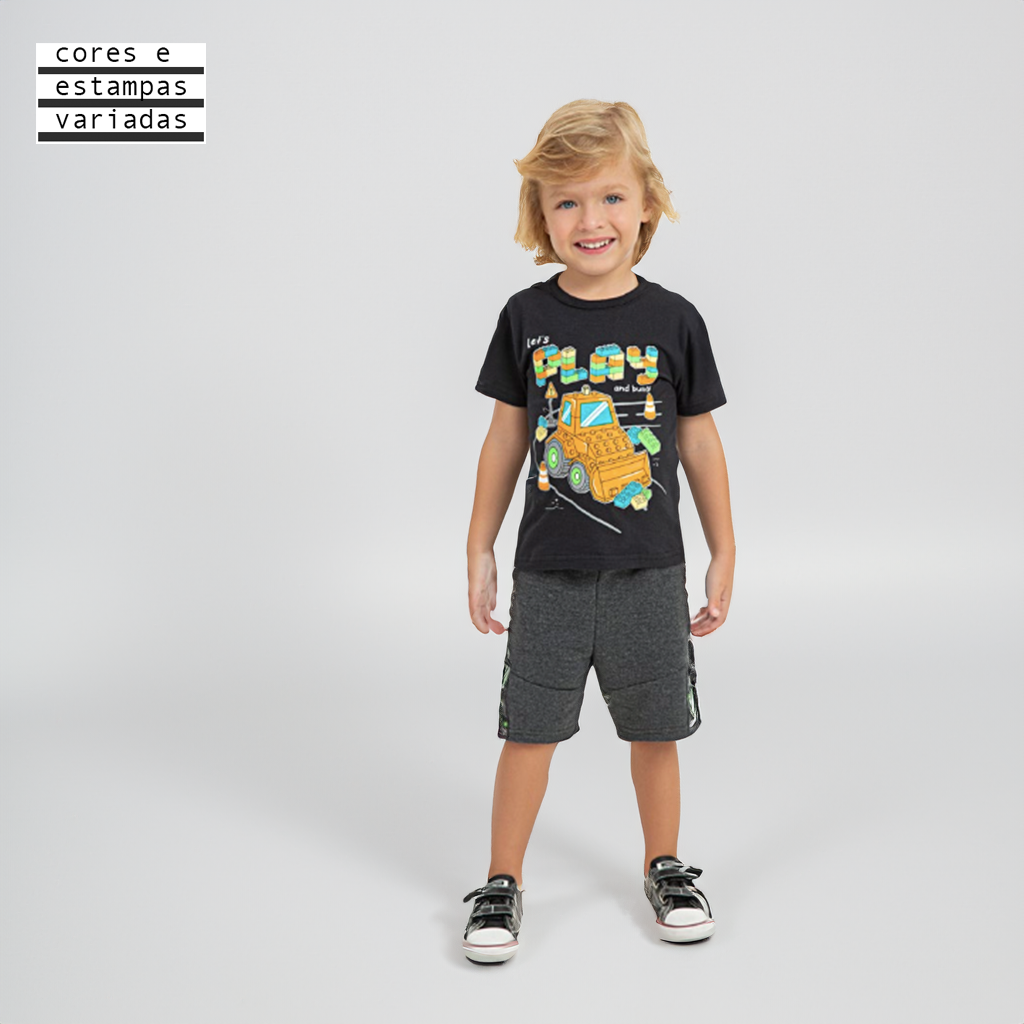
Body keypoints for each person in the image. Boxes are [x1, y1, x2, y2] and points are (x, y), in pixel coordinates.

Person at [462, 99, 735, 964]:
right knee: (529, 732)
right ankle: (502, 880)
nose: (592, 220)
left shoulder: (675, 320)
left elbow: (699, 440)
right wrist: (479, 547)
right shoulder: (524, 316)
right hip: (548, 572)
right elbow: (506, 437)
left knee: (656, 729)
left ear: (646, 204)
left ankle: (666, 866)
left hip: (649, 569)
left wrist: (725, 549)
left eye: (612, 197)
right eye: (568, 201)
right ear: (541, 215)